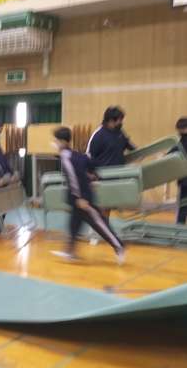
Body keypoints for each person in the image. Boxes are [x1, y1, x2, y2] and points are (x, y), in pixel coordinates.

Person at [52, 126, 125, 263]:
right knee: (74, 225)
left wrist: (81, 198)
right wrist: (92, 176)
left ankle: (119, 246)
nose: (54, 143)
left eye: (56, 140)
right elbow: (89, 164)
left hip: (83, 199)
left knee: (99, 224)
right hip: (78, 199)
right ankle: (70, 252)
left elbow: (74, 179)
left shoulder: (67, 157)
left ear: (63, 141)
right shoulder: (74, 154)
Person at [86, 106, 136, 244]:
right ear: (110, 120)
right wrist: (91, 175)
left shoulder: (120, 133)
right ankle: (95, 233)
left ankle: (104, 231)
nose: (121, 122)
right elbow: (88, 156)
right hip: (101, 177)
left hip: (116, 176)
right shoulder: (98, 135)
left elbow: (130, 146)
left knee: (107, 207)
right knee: (100, 206)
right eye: (119, 120)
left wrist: (140, 152)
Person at [173, 117, 187, 224]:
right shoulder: (182, 140)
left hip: (185, 179)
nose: (179, 132)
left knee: (183, 206)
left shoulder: (183, 141)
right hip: (184, 179)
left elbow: (175, 150)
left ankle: (179, 228)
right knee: (183, 206)